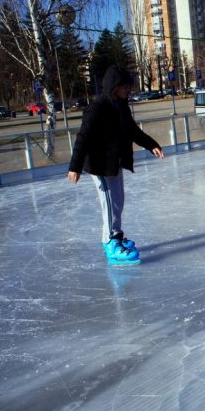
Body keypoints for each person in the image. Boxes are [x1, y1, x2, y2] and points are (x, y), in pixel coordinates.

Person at [67, 65, 166, 265]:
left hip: (114, 162)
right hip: (99, 164)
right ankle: (112, 241)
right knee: (110, 203)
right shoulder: (97, 108)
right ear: (114, 87)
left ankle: (111, 238)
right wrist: (74, 166)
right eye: (125, 86)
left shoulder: (121, 106)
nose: (128, 89)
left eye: (129, 86)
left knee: (118, 201)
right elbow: (83, 137)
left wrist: (151, 145)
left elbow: (133, 131)